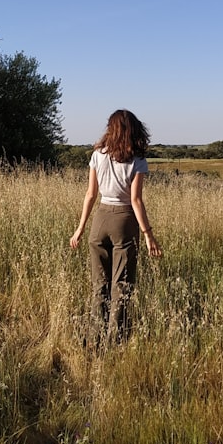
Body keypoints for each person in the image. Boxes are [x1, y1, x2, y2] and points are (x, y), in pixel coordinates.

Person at [70, 109, 162, 345]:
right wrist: (149, 235)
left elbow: (90, 194)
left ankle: (93, 339)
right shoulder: (138, 160)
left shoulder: (97, 155)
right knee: (121, 285)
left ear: (111, 129)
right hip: (124, 220)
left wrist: (80, 229)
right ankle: (115, 341)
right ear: (133, 130)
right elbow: (136, 200)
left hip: (99, 221)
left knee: (99, 284)